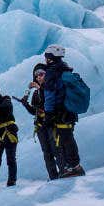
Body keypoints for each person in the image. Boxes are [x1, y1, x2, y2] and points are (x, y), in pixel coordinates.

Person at [40, 44, 86, 178]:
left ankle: (75, 167)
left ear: (50, 58)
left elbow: (49, 96)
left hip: (60, 112)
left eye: (47, 57)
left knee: (65, 139)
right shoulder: (66, 70)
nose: (46, 59)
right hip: (69, 111)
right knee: (67, 137)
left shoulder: (52, 73)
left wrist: (48, 115)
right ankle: (71, 166)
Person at [17, 64, 61, 180]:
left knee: (55, 149)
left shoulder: (49, 89)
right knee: (47, 152)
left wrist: (39, 88)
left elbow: (49, 103)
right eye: (36, 76)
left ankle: (63, 172)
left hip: (51, 123)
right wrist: (26, 104)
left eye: (41, 74)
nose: (38, 77)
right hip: (41, 125)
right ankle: (53, 176)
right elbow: (34, 110)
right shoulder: (37, 92)